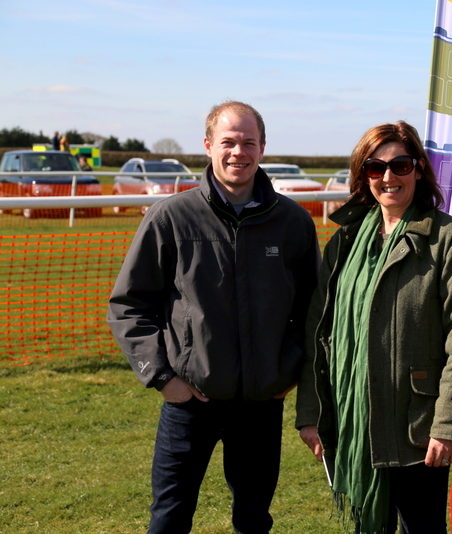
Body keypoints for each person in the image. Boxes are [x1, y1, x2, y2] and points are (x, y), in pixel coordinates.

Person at [107, 100, 320, 534]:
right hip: (190, 403)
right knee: (169, 518)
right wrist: (164, 378)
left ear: (262, 148)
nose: (238, 152)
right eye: (228, 142)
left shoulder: (293, 223)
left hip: (261, 406)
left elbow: (314, 312)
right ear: (208, 145)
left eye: (248, 142)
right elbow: (128, 305)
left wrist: (286, 374)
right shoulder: (171, 217)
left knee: (253, 520)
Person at [296, 121, 452, 534]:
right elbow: (320, 332)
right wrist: (311, 412)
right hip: (355, 423)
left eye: (400, 165)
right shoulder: (345, 242)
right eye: (374, 167)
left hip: (419, 431)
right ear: (362, 175)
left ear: (419, 168)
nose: (388, 177)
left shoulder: (449, 240)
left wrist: (450, 424)